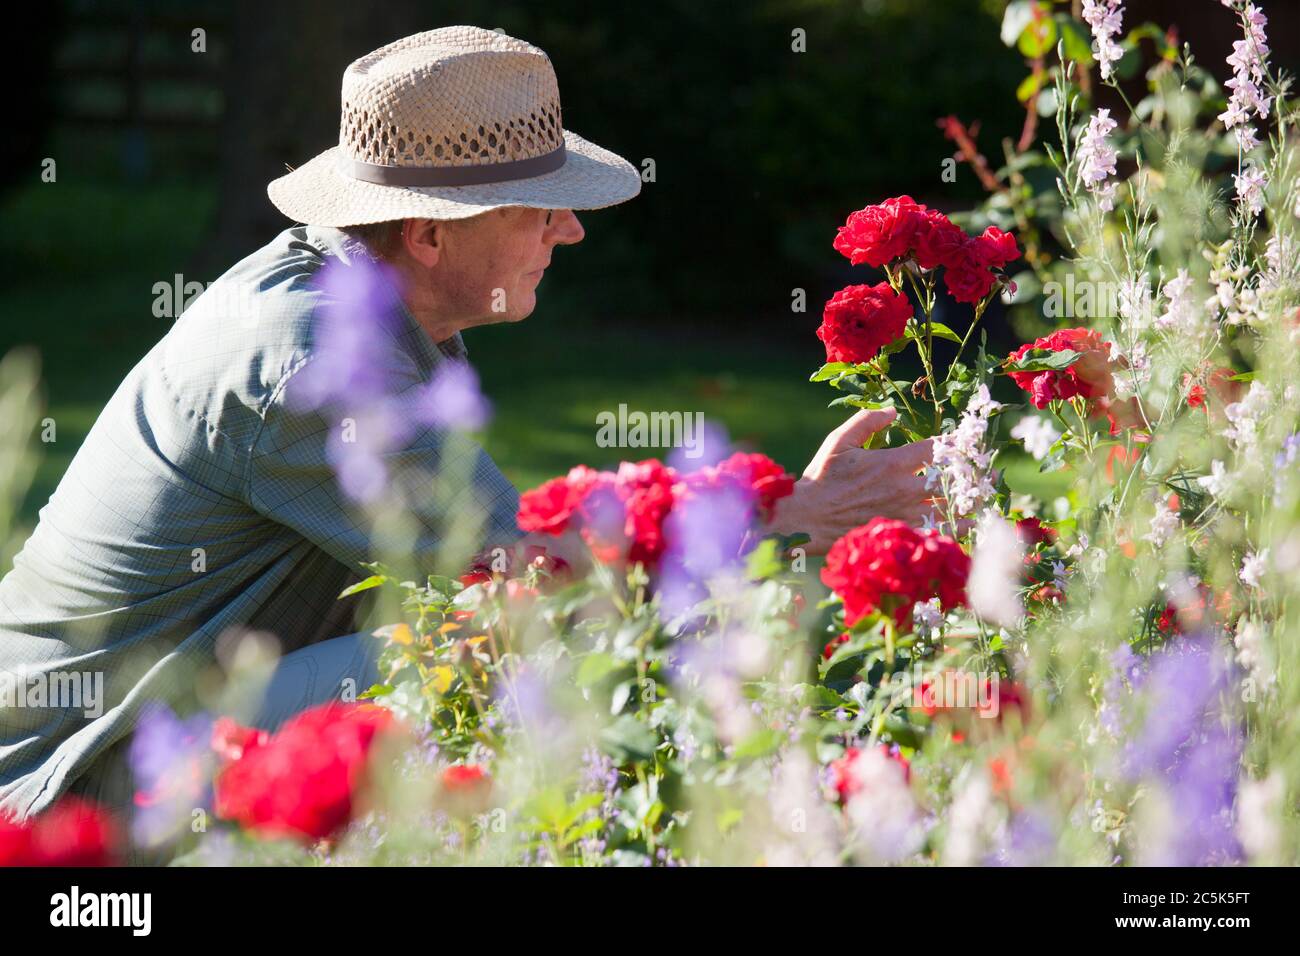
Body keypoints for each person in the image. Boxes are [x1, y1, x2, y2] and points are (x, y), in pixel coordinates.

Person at [0, 26, 933, 823]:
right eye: (538, 207)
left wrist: (773, 519)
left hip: (156, 721)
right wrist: (789, 524)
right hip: (78, 781)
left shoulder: (360, 305)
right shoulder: (315, 362)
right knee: (502, 654)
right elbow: (537, 584)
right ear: (431, 234)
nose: (568, 232)